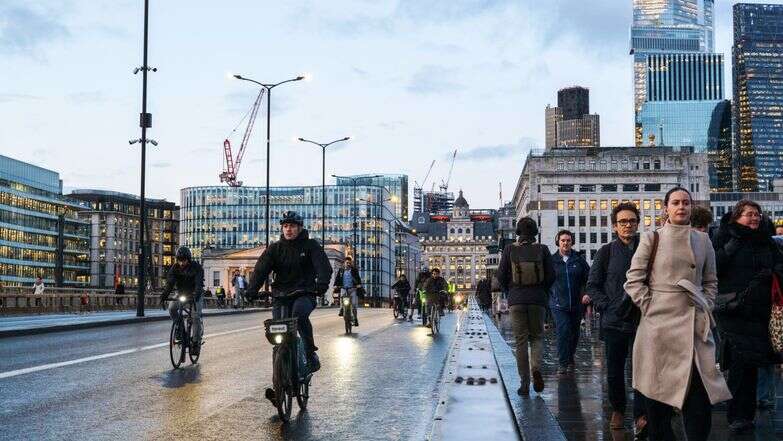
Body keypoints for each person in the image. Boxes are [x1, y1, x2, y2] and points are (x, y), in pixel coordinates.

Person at [625, 187, 731, 441]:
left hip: (694, 326)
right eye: (676, 202)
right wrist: (650, 306)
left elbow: (711, 280)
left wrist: (705, 302)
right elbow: (633, 280)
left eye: (686, 202)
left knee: (699, 397)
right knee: (657, 398)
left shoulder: (703, 240)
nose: (681, 207)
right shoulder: (652, 238)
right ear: (666, 208)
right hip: (658, 328)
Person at [712, 199, 783, 433]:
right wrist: (730, 248)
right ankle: (736, 414)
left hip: (759, 311)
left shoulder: (767, 241)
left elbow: (779, 265)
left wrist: (772, 273)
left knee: (754, 364)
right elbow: (714, 267)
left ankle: (747, 413)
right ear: (737, 217)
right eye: (749, 214)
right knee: (740, 363)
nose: (754, 218)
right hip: (734, 310)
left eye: (757, 214)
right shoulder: (725, 237)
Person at [247, 211, 332, 383]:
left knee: (298, 315)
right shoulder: (275, 249)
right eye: (285, 226)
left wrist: (321, 285)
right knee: (278, 328)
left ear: (300, 228)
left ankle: (309, 353)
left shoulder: (311, 246)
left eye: (292, 226)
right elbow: (260, 270)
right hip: (281, 295)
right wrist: (251, 291)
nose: (288, 229)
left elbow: (324, 267)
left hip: (304, 293)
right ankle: (279, 379)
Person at [588, 202, 648, 435]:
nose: (628, 225)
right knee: (614, 370)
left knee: (642, 368)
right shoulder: (605, 252)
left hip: (643, 318)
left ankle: (641, 413)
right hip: (614, 321)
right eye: (623, 222)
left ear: (637, 223)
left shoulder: (647, 248)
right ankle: (618, 409)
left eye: (632, 221)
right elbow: (592, 286)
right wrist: (608, 307)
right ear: (614, 226)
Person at [496, 216, 555, 396]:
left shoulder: (509, 250)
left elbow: (501, 276)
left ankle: (524, 383)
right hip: (538, 300)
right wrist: (542, 291)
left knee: (521, 341)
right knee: (536, 337)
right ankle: (536, 368)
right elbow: (552, 276)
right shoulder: (543, 249)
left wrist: (511, 292)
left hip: (516, 300)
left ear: (518, 233)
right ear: (535, 233)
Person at [549, 229, 590, 376]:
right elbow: (547, 281)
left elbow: (589, 279)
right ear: (558, 242)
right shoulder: (552, 261)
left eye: (568, 240)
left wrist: (586, 293)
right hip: (558, 304)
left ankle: (570, 356)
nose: (565, 243)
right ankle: (562, 363)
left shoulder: (578, 260)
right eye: (563, 240)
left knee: (574, 333)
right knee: (563, 331)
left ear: (572, 242)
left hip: (577, 304)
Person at [160, 246, 205, 355]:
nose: (181, 263)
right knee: (172, 308)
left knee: (195, 316)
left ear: (188, 259)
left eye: (183, 260)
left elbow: (199, 285)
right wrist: (164, 296)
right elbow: (170, 283)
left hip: (195, 293)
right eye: (179, 260)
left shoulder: (197, 268)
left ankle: (195, 343)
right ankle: (179, 329)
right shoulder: (174, 268)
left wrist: (196, 295)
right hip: (181, 293)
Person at [333, 257, 362, 326]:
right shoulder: (341, 270)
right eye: (347, 263)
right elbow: (337, 279)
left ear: (351, 263)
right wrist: (335, 285)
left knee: (354, 305)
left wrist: (359, 285)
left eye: (349, 263)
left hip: (353, 289)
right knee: (342, 299)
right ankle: (342, 309)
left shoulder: (354, 270)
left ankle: (355, 318)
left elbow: (358, 279)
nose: (348, 264)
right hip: (343, 288)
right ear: (344, 263)